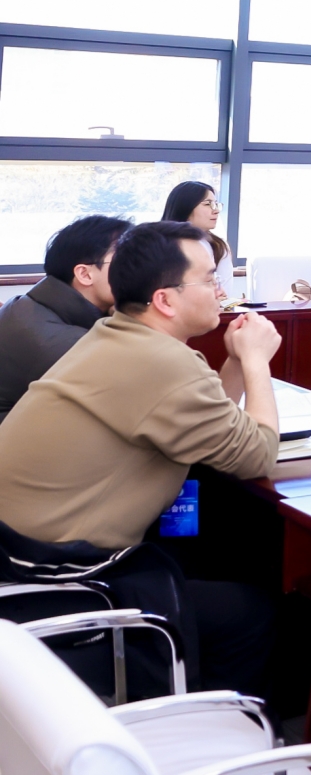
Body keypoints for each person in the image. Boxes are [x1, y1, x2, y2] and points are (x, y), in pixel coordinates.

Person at [0, 221, 282, 692]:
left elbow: (204, 417)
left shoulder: (117, 334)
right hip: (59, 573)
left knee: (205, 555)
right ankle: (205, 725)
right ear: (165, 300)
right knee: (251, 613)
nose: (221, 290)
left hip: (18, 550)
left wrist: (234, 361)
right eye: (210, 279)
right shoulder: (163, 363)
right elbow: (258, 456)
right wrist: (257, 362)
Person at [0, 215, 132, 424]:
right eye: (125, 261)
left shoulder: (27, 303)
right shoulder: (69, 346)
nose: (138, 270)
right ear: (84, 274)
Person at [163, 181, 233, 295]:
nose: (216, 210)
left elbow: (225, 296)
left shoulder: (218, 246)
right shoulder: (158, 244)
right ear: (185, 207)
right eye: (207, 204)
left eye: (216, 204)